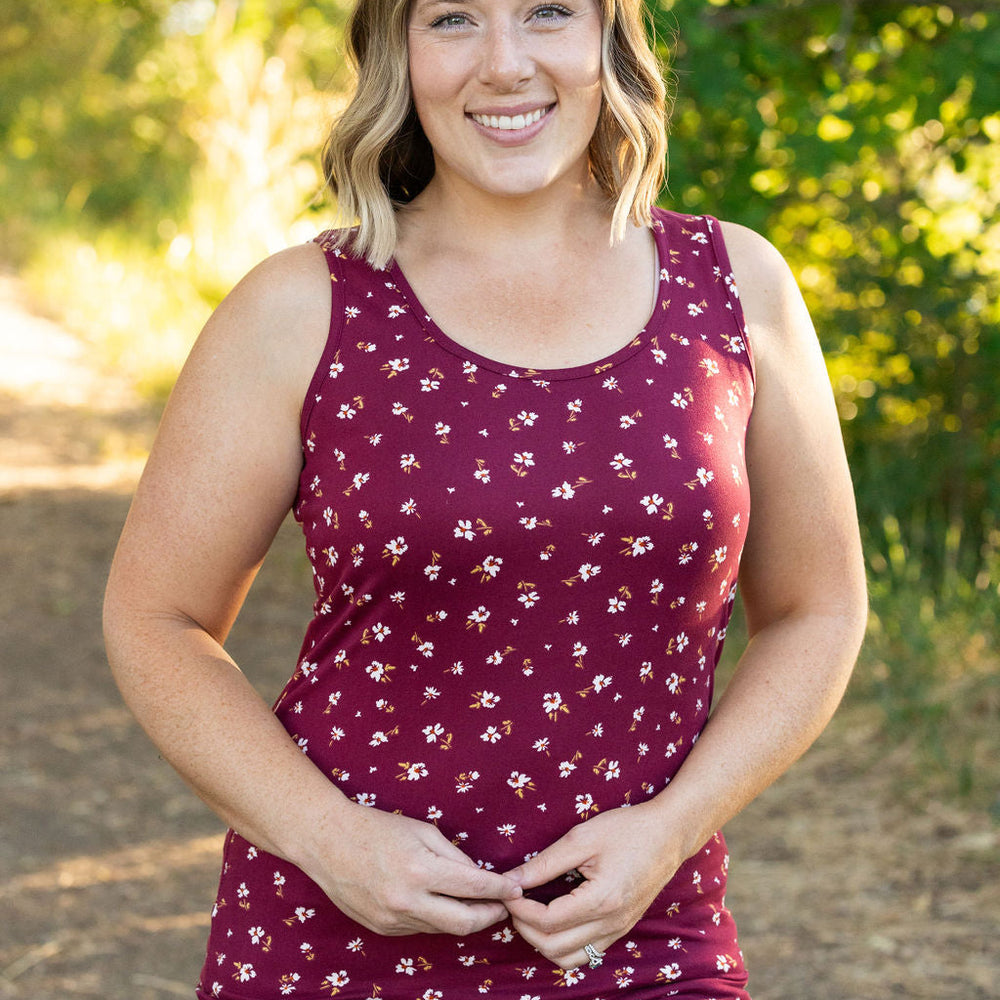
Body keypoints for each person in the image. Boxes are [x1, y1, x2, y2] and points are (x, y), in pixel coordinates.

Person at [103, 0, 867, 995]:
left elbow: (818, 609)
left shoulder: (733, 288)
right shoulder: (301, 307)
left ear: (609, 37)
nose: (504, 64)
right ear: (399, 51)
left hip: (639, 938)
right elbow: (156, 618)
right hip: (334, 942)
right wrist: (328, 838)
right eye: (454, 18)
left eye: (548, 12)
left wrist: (671, 828)